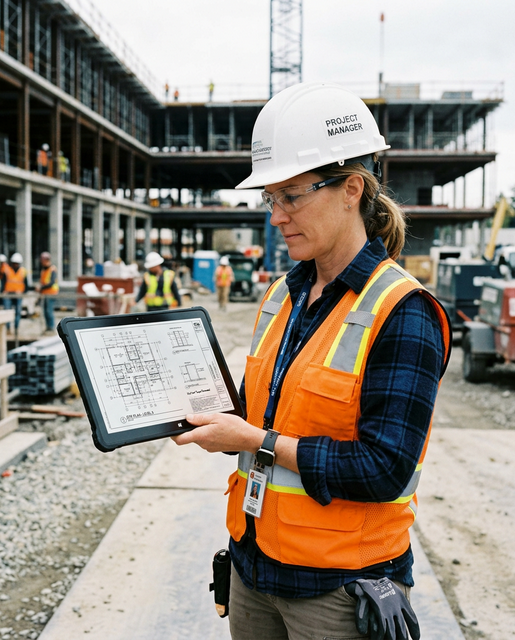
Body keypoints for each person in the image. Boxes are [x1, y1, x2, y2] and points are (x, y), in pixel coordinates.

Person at [172, 83, 451, 640]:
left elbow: (383, 468)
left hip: (339, 592)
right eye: (270, 198)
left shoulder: (403, 311)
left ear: (351, 189)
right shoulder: (282, 293)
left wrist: (256, 441)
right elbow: (262, 410)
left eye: (292, 196)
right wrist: (179, 407)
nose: (276, 216)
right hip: (255, 569)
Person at [0, 252, 28, 331]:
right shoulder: (7, 270)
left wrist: (23, 292)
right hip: (8, 294)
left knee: (18, 311)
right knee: (7, 311)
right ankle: (8, 328)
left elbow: (26, 284)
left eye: (17, 263)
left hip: (18, 294)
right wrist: (3, 291)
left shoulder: (23, 271)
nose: (15, 265)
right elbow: (3, 282)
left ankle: (16, 327)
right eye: (14, 263)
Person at [37, 251, 59, 334]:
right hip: (45, 293)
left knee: (49, 311)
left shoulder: (52, 269)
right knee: (46, 311)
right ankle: (48, 327)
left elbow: (51, 283)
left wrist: (41, 288)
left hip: (51, 293)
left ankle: (51, 327)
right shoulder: (43, 270)